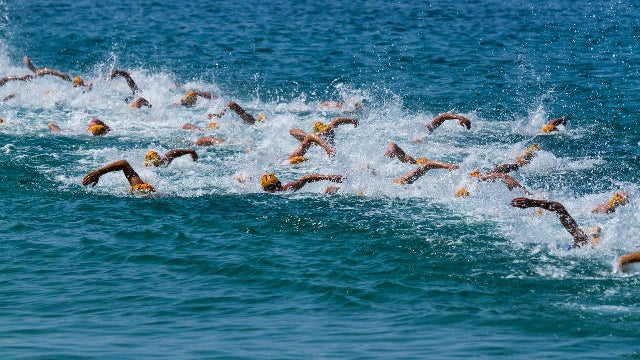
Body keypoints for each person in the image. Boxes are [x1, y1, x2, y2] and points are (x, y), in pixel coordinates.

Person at [510, 197, 601, 248]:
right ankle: (594, 234)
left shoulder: (582, 244)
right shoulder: (582, 243)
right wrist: (533, 203)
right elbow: (558, 208)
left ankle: (594, 234)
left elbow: (558, 208)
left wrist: (533, 203)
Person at [82, 159, 155, 193]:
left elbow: (123, 164)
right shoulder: (138, 187)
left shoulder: (137, 187)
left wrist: (98, 173)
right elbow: (123, 163)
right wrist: (98, 173)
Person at [23, 56, 92, 88]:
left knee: (38, 73)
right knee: (39, 72)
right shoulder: (68, 79)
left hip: (43, 75)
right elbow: (49, 71)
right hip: (44, 74)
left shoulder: (72, 83)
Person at [289, 117, 358, 147]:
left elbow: (337, 120)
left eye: (327, 130)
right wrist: (308, 136)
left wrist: (353, 121)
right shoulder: (311, 140)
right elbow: (292, 130)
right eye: (323, 132)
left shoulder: (330, 131)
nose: (326, 132)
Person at [394, 158, 459, 185]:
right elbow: (428, 164)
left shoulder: (408, 177)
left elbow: (428, 164)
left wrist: (448, 166)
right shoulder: (405, 179)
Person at [261, 173, 343, 193]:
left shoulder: (288, 188)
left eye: (278, 184)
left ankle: (344, 189)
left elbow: (306, 178)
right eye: (272, 188)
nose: (277, 188)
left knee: (330, 190)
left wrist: (329, 177)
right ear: (265, 190)